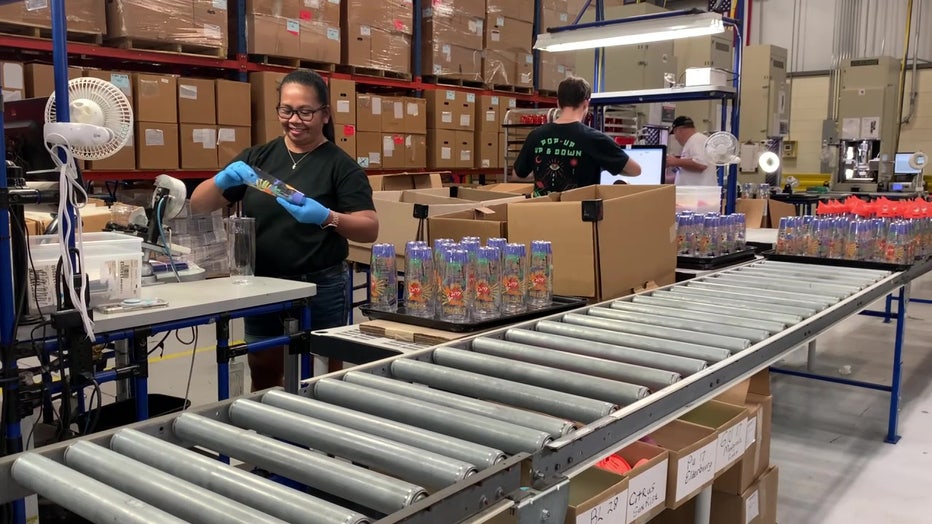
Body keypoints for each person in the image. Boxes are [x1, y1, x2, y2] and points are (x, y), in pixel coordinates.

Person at [190, 69, 379, 391]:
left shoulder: (340, 165)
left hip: (319, 285)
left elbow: (368, 229)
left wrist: (327, 217)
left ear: (324, 115)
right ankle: (268, 435)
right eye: (286, 110)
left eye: (305, 111)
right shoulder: (258, 158)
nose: (294, 120)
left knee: (322, 373)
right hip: (264, 282)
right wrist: (221, 180)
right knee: (263, 367)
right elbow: (199, 205)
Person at [513, 76, 641, 194]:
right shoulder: (595, 139)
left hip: (539, 213)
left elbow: (517, 174)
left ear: (558, 103)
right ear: (586, 103)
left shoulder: (535, 135)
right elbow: (635, 170)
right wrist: (607, 164)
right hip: (578, 215)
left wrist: (539, 170)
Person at [667, 116, 718, 186]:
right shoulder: (693, 141)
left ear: (678, 130)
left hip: (699, 195)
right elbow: (687, 175)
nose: (676, 138)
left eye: (675, 134)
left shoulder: (697, 139)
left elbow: (701, 164)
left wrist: (675, 161)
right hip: (692, 194)